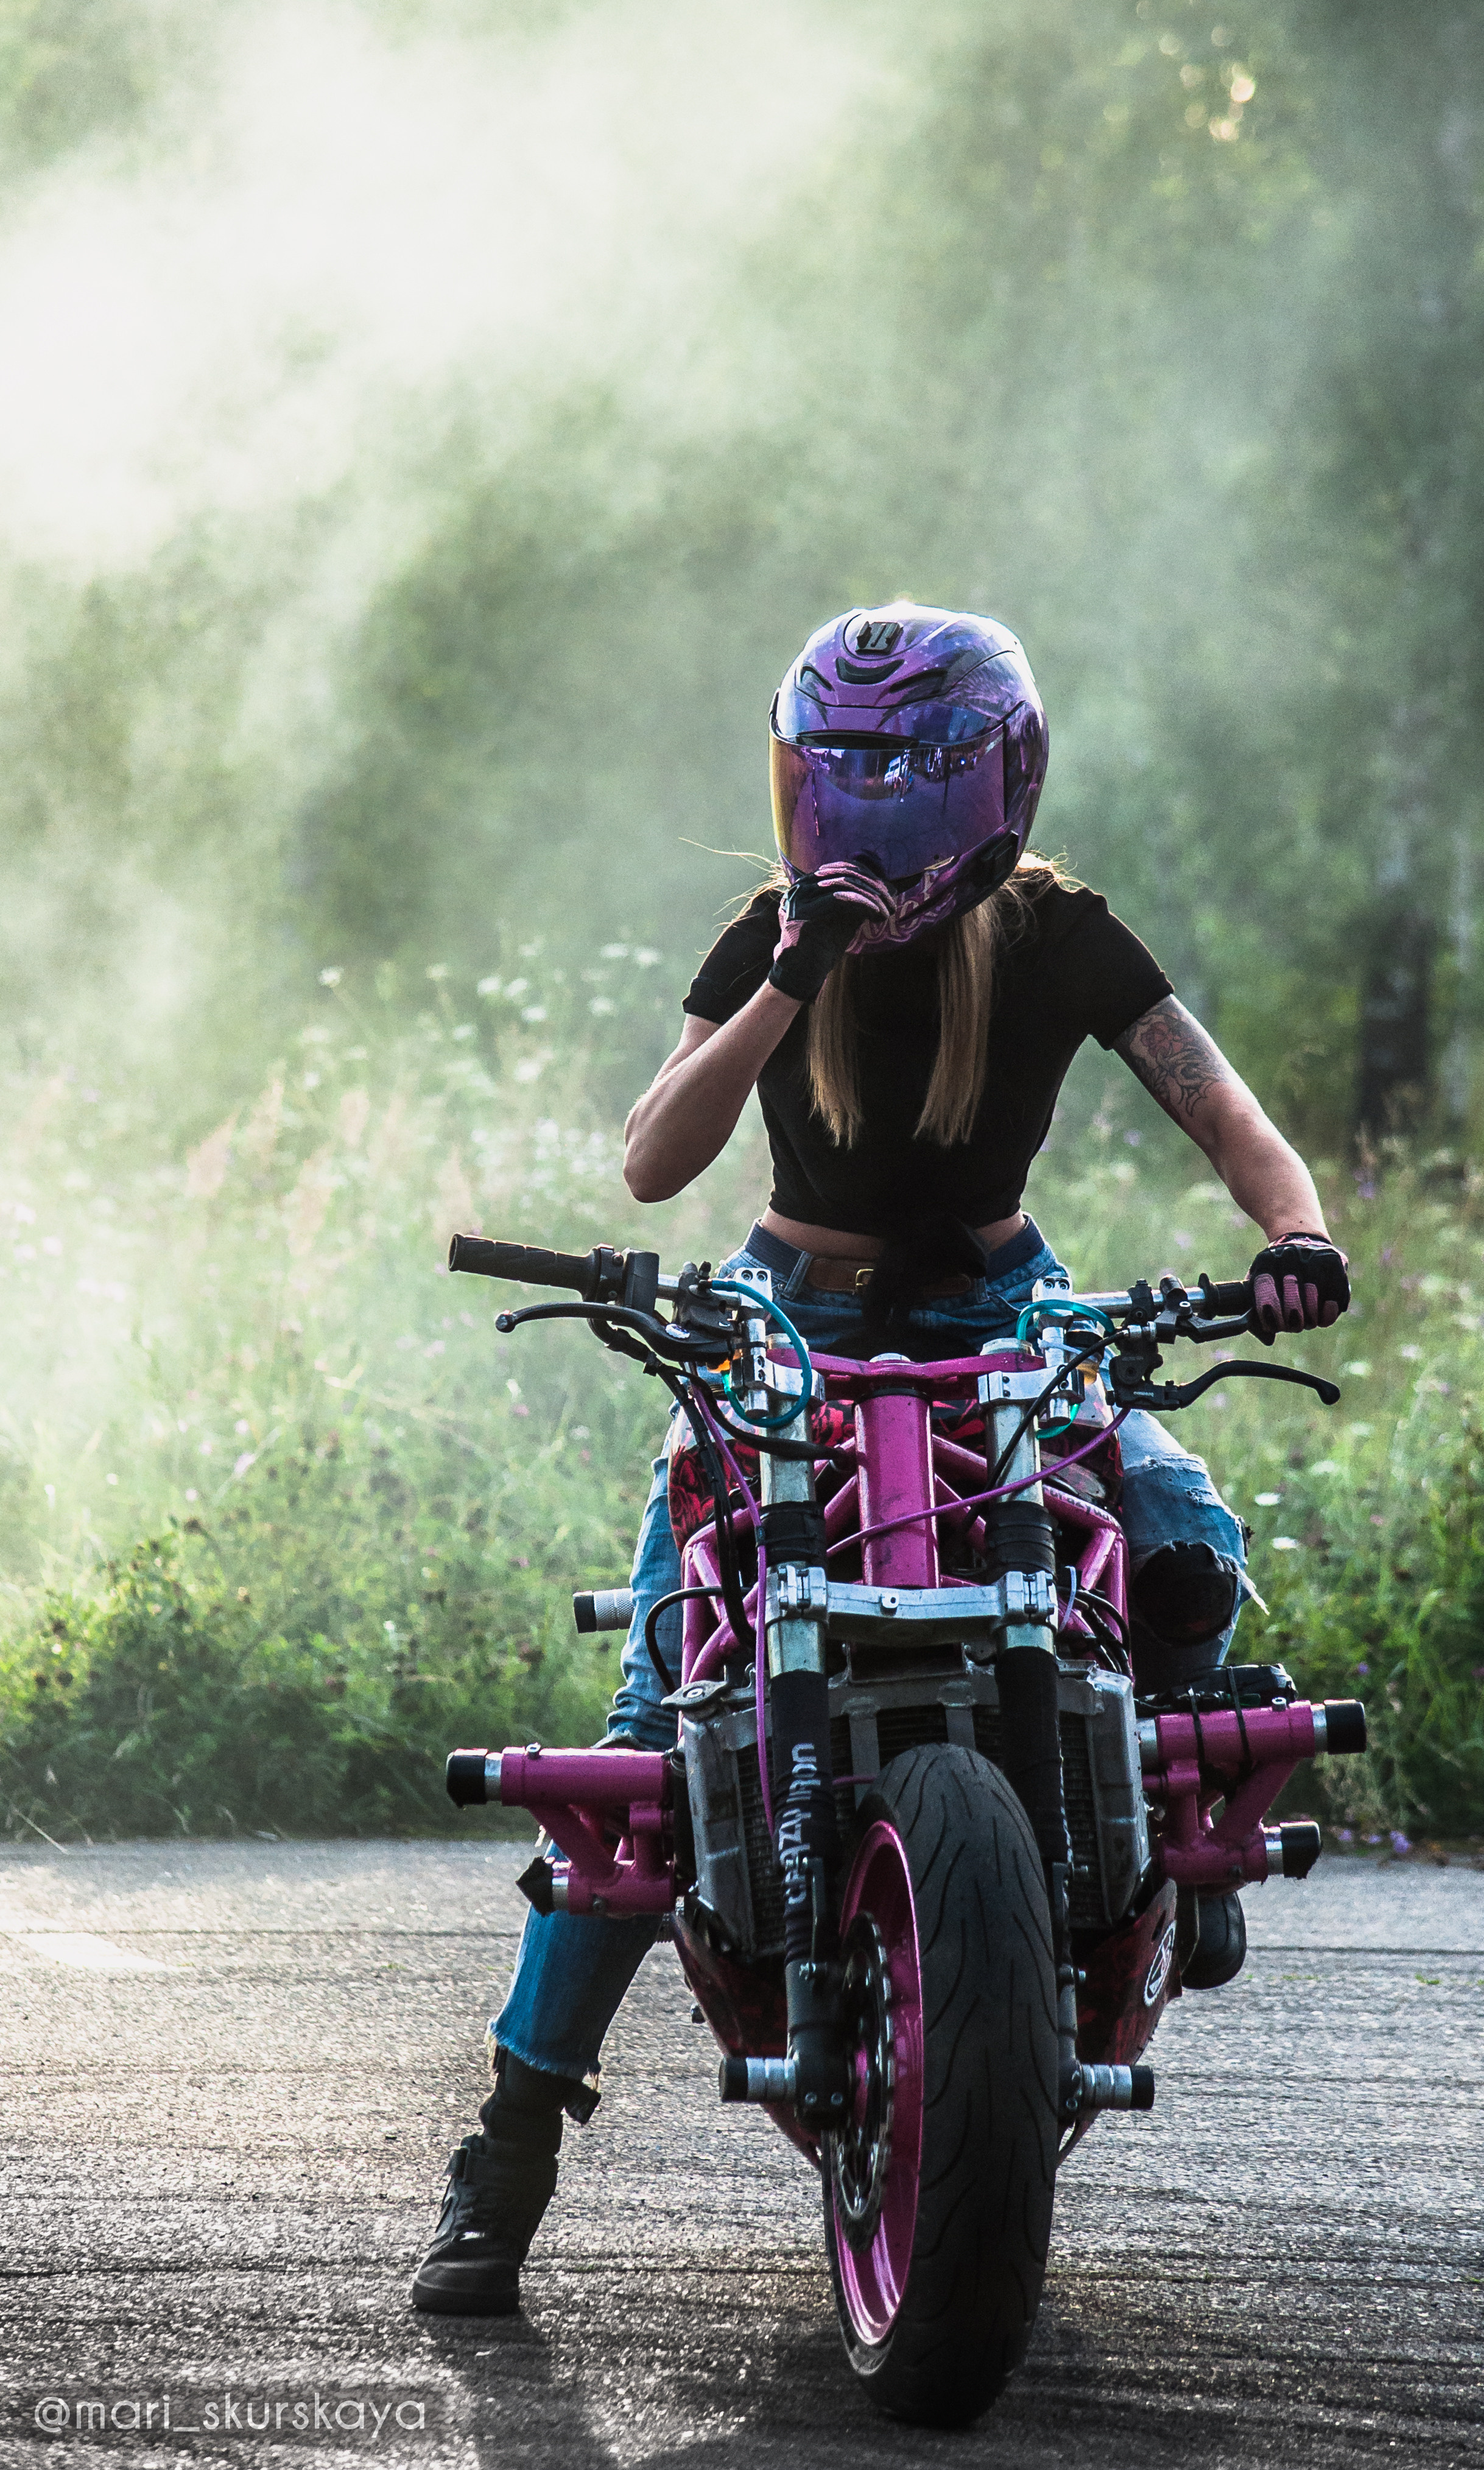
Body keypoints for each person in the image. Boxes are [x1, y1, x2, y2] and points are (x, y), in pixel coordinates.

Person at [411, 601, 1349, 2317]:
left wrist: (1295, 1228)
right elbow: (651, 1162)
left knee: (1169, 1519)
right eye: (835, 769)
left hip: (1002, 1302)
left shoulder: (1061, 930)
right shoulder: (770, 936)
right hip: (789, 1323)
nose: (863, 802)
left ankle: (1175, 1806)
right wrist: (796, 968)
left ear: (985, 777)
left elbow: (1223, 1109)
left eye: (897, 768)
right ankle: (510, 2150)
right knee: (654, 1722)